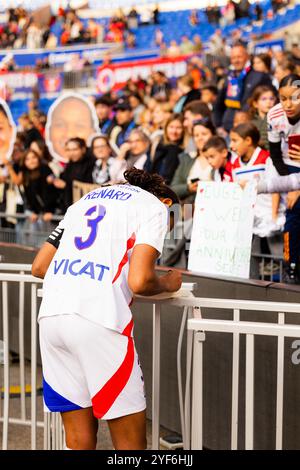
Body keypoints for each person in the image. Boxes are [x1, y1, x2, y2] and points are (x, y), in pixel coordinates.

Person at [31, 168, 182, 450]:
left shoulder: (84, 202)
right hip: (100, 320)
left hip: (52, 316)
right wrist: (168, 283)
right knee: (130, 444)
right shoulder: (156, 207)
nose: (168, 235)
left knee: (78, 439)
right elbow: (140, 280)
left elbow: (39, 267)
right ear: (167, 203)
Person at [230, 123, 286, 278]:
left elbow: (275, 188)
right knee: (251, 255)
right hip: (252, 217)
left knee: (279, 256)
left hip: (271, 214)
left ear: (248, 140)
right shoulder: (235, 164)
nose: (231, 146)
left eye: (235, 141)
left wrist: (274, 216)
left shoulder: (266, 158)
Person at [267, 74, 300, 282]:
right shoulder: (274, 116)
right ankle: (292, 266)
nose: (288, 104)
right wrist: (293, 185)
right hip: (290, 167)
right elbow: (276, 156)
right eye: (283, 98)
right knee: (293, 214)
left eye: (294, 98)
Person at [215, 43, 273, 133]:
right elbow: (219, 103)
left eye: (239, 57)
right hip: (228, 128)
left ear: (247, 57)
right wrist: (218, 125)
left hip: (251, 127)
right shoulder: (228, 78)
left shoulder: (259, 76)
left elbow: (272, 99)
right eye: (233, 58)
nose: (236, 60)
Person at [46, 93, 99, 163]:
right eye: (60, 125)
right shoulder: (50, 168)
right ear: (49, 131)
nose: (69, 134)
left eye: (79, 126)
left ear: (93, 131)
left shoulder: (95, 167)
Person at [248, 85, 278, 150]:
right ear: (255, 103)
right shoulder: (250, 122)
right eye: (264, 99)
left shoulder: (278, 119)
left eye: (271, 99)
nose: (268, 102)